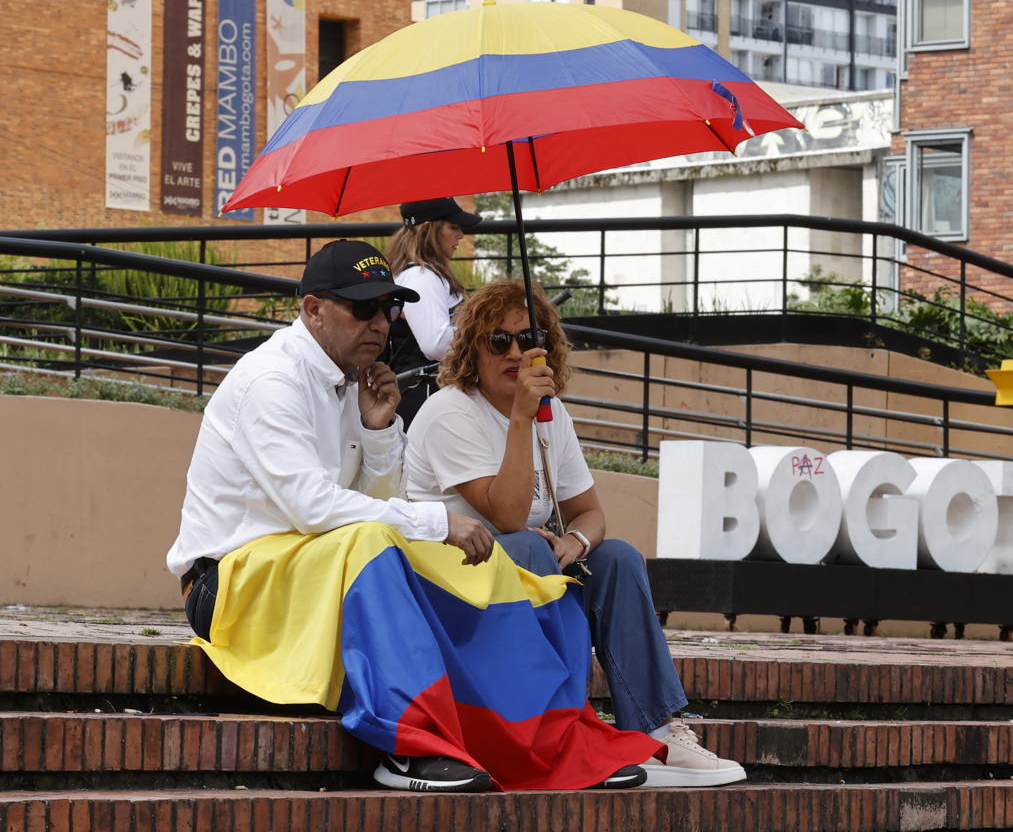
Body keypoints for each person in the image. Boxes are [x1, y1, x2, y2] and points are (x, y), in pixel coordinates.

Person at [167, 241, 660, 793]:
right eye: (363, 308)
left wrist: (378, 433)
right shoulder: (272, 381)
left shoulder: (352, 381)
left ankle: (538, 738)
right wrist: (436, 523)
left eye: (390, 309)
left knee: (455, 560)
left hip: (306, 573)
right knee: (395, 544)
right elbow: (313, 508)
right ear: (311, 310)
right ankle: (406, 746)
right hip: (229, 586)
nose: (380, 323)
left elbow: (371, 498)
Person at [405, 279, 747, 789]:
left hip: (525, 576)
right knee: (526, 548)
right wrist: (522, 417)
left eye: (527, 338)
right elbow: (507, 517)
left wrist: (576, 543)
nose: (515, 352)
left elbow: (590, 513)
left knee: (617, 559)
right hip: (452, 593)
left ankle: (657, 731)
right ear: (473, 349)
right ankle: (559, 728)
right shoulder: (449, 412)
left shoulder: (552, 413)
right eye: (498, 341)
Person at [381, 198, 480, 428]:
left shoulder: (414, 272)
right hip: (423, 394)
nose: (461, 235)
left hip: (419, 391)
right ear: (428, 228)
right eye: (453, 227)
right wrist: (484, 330)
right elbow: (434, 344)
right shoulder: (422, 277)